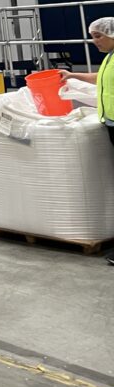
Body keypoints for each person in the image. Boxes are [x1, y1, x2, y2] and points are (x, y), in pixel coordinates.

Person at [59, 16, 114, 265]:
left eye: (98, 36)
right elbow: (100, 79)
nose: (94, 42)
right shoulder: (110, 58)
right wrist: (73, 76)